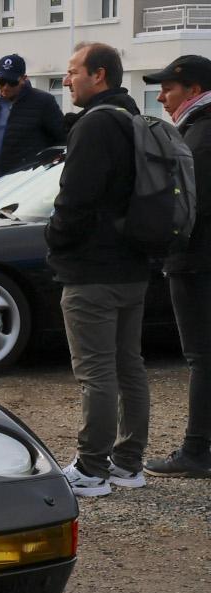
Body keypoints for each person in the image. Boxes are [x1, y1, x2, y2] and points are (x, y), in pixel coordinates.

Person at [45, 42, 152, 497]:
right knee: (129, 367)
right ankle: (129, 464)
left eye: (72, 73)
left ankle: (91, 470)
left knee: (96, 372)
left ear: (99, 75)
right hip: (133, 267)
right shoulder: (135, 120)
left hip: (93, 270)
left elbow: (76, 198)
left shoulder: (94, 126)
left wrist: (56, 239)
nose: (67, 81)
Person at [141, 56, 211, 478]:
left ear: (193, 88)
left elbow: (188, 205)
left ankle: (197, 450)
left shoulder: (199, 135)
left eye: (168, 88)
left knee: (202, 356)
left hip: (197, 260)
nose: (162, 97)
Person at [0, 53, 66, 184]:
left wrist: (42, 167)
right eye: (1, 81)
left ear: (24, 79)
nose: (5, 87)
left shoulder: (43, 101)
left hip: (25, 183)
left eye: (12, 82)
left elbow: (62, 139)